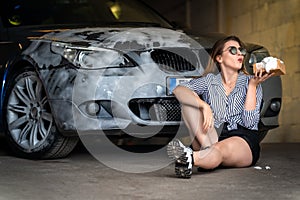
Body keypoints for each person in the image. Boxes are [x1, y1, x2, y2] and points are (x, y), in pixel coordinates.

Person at [167, 35, 274, 178]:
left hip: (241, 139)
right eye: (233, 50)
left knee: (218, 149)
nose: (239, 54)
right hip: (211, 137)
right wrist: (203, 106)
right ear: (219, 58)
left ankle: (191, 158)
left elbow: (250, 123)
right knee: (189, 104)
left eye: (241, 50)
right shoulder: (209, 81)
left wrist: (253, 86)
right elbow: (178, 90)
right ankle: (206, 158)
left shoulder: (252, 81)